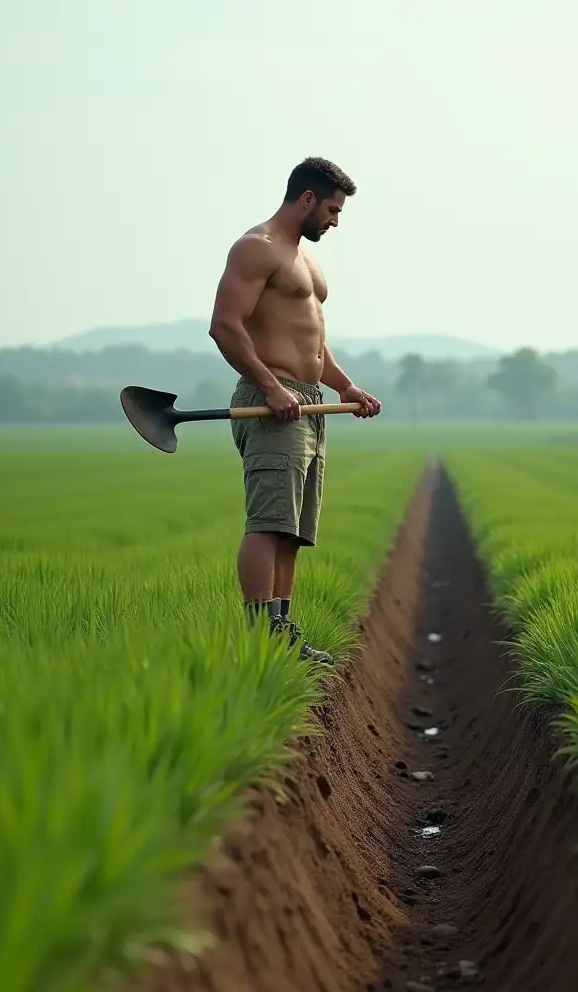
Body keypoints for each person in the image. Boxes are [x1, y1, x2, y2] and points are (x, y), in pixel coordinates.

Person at [208, 156, 381, 665]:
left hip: (309, 405)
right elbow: (225, 325)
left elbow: (312, 345)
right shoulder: (255, 248)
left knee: (292, 529)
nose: (334, 220)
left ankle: (281, 631)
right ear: (306, 199)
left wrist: (347, 386)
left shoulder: (306, 261)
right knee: (267, 523)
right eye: (331, 209)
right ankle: (260, 635)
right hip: (271, 403)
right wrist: (271, 387)